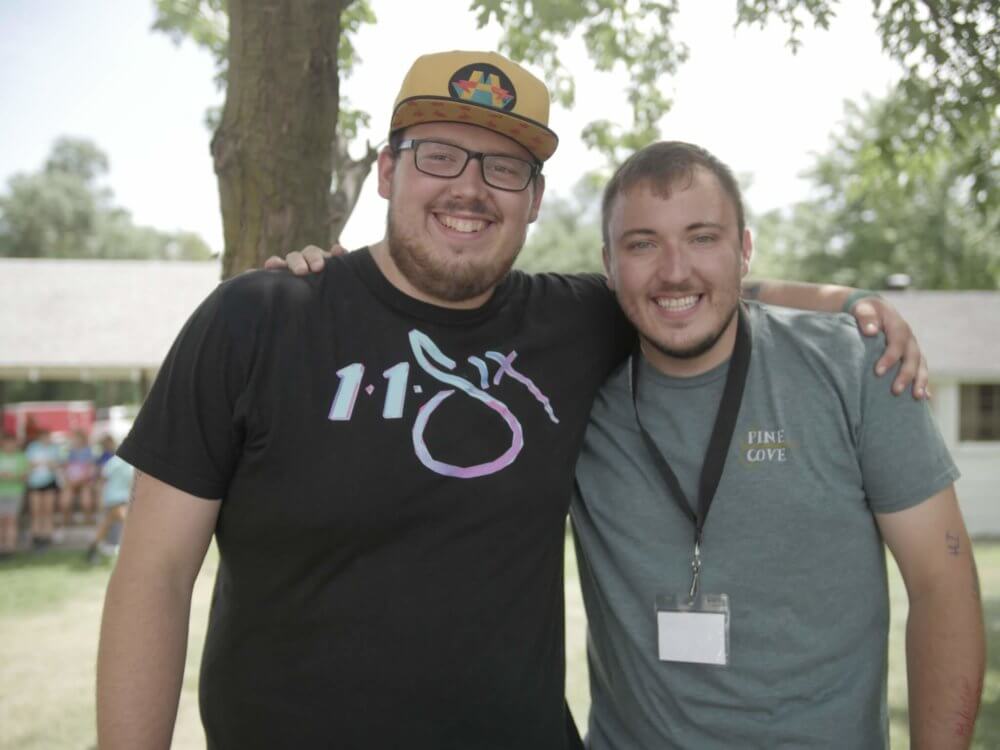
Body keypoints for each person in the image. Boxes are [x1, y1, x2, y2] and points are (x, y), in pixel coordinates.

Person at [99, 50, 925, 749]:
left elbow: (686, 286)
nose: (471, 188)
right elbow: (155, 577)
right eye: (439, 155)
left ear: (533, 199)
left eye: (504, 167)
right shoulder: (258, 321)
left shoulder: (573, 322)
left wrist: (848, 301)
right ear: (386, 171)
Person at [569, 141, 985, 748]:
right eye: (642, 244)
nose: (675, 269)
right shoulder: (571, 391)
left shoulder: (856, 366)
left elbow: (941, 586)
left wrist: (847, 301)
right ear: (608, 263)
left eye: (703, 237)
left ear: (744, 250)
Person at [86, 438, 134, 563]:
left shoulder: (131, 463)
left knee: (106, 524)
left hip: (122, 499)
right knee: (129, 523)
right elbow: (102, 480)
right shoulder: (114, 462)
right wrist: (100, 499)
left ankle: (92, 548)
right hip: (114, 498)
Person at [25, 430, 60, 548]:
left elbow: (56, 464)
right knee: (36, 510)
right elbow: (29, 463)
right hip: (34, 482)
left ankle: (47, 534)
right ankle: (36, 534)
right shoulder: (32, 447)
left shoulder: (54, 448)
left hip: (49, 481)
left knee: (48, 510)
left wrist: (44, 463)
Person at [59, 428, 97, 529]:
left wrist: (80, 480)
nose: (75, 441)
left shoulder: (89, 452)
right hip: (71, 481)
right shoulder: (68, 452)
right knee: (65, 500)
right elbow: (64, 468)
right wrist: (69, 480)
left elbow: (90, 469)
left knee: (86, 500)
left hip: (84, 481)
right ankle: (66, 520)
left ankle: (88, 520)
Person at [0, 433, 28, 557]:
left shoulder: (21, 457)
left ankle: (10, 548)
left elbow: (24, 476)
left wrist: (12, 476)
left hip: (15, 492)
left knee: (11, 520)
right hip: (1, 492)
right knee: (1, 521)